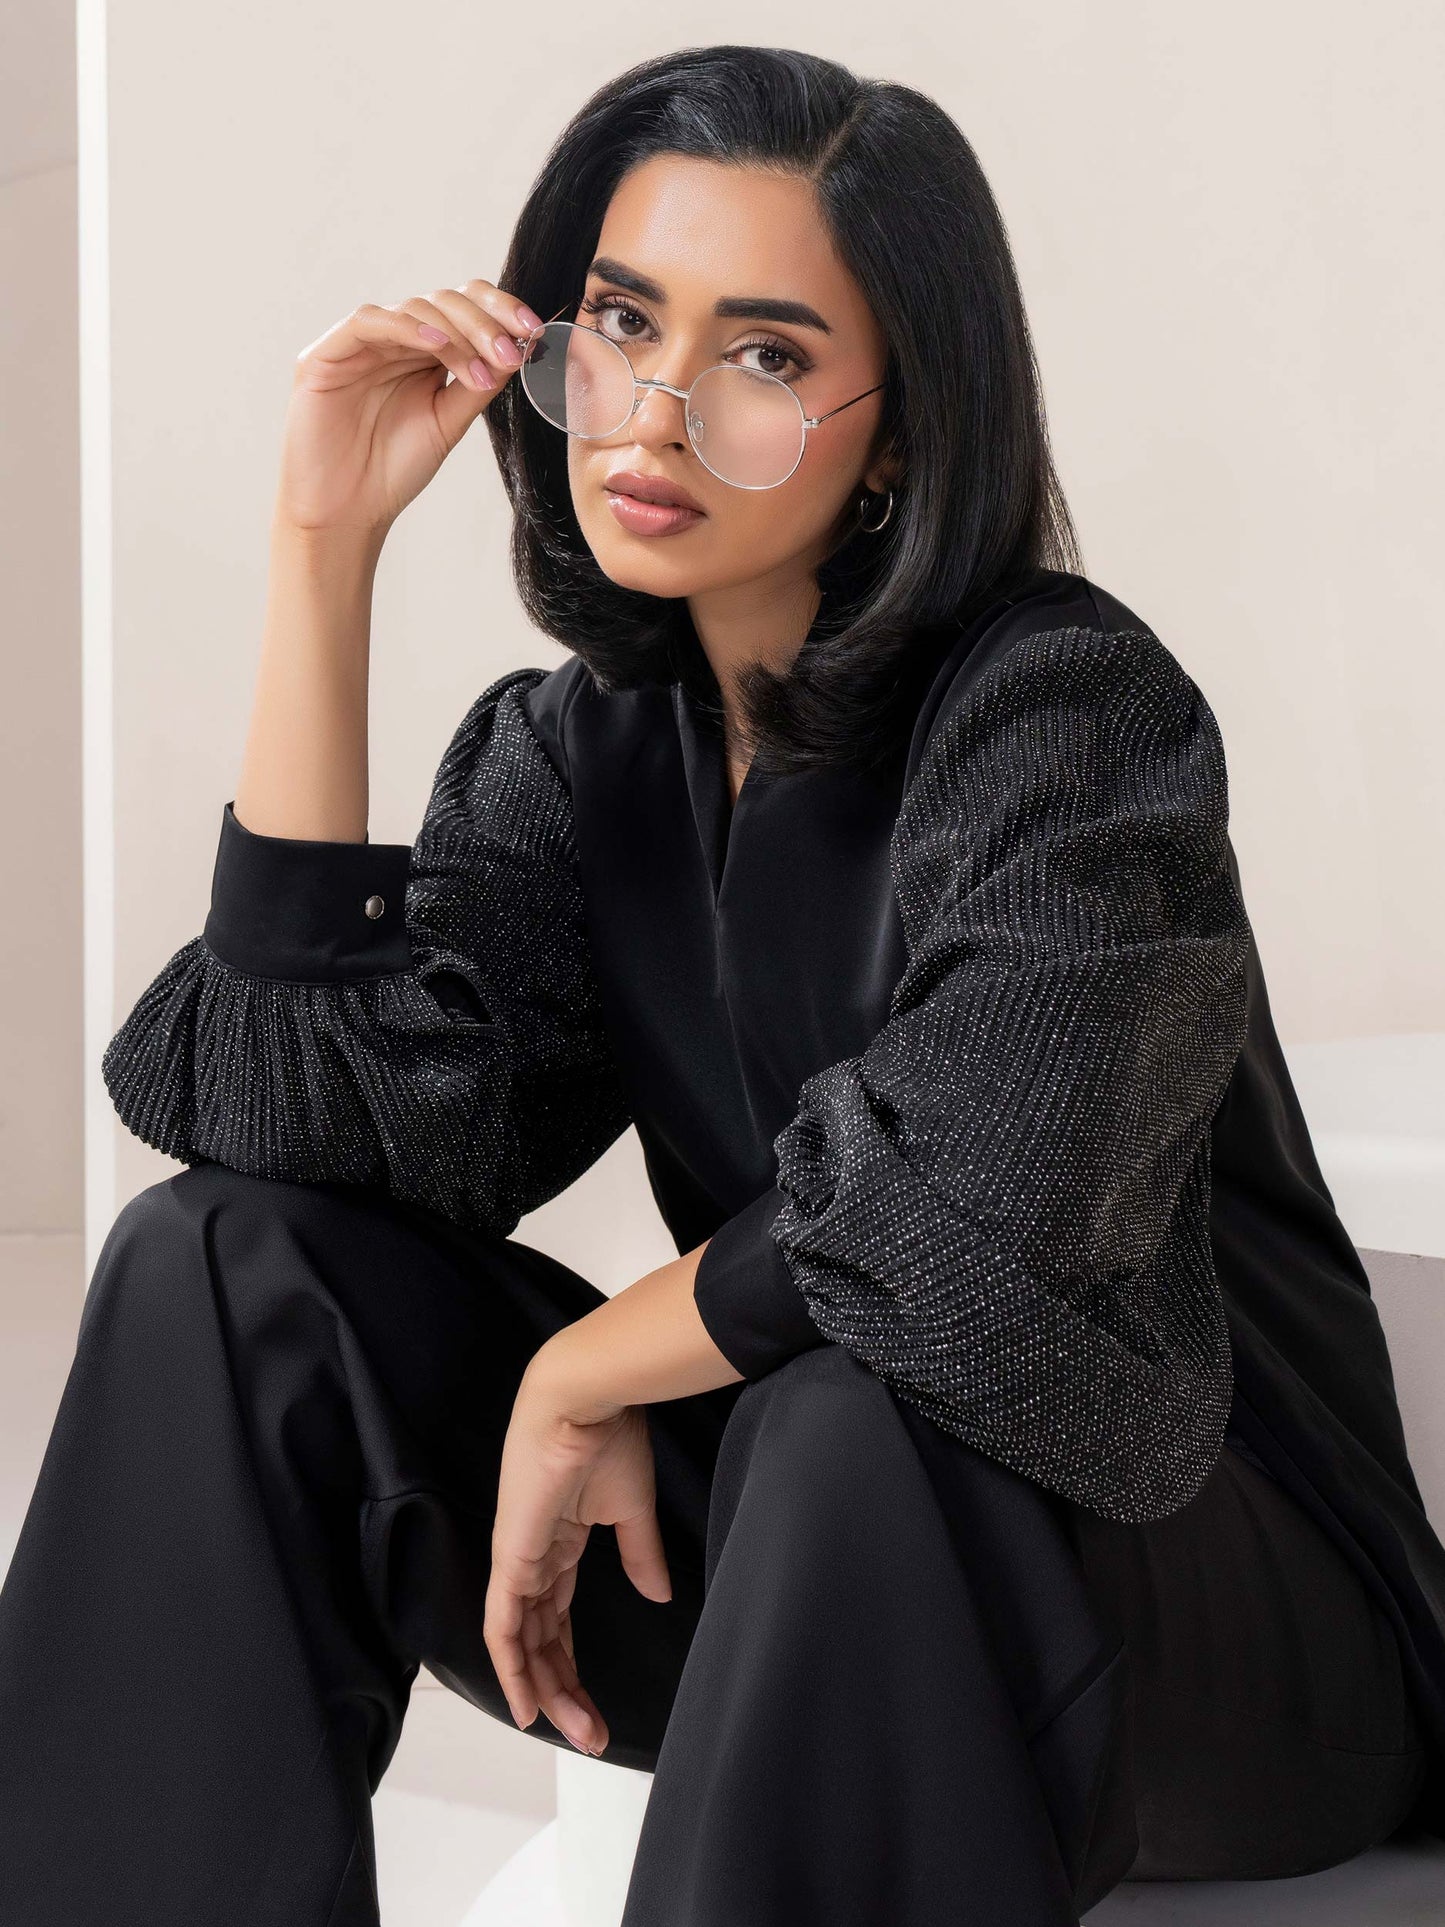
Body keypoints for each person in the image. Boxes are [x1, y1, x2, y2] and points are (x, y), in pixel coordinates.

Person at [1, 42, 1441, 1927]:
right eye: (619, 324)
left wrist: (590, 1364)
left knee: (853, 1408)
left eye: (762, 355)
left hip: (1219, 1624)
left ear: (901, 432)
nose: (656, 416)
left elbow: (980, 1218)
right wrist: (322, 548)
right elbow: (319, 1140)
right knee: (225, 1259)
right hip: (801, 1558)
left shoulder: (1067, 717)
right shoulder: (580, 753)